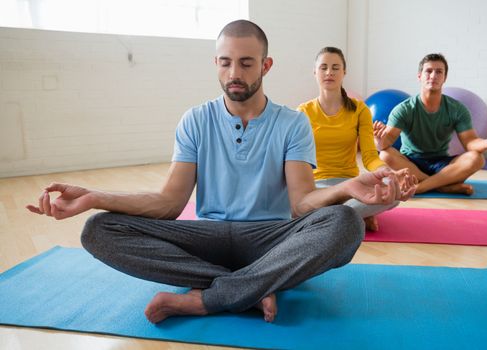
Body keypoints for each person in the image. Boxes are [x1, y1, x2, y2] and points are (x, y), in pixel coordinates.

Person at [26, 20, 416, 324]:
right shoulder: (195, 120)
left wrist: (347, 187)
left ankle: (208, 296)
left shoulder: (292, 124)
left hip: (271, 237)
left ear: (265, 65)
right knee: (99, 229)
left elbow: (301, 204)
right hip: (207, 236)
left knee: (345, 223)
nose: (235, 72)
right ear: (216, 63)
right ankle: (251, 287)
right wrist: (95, 197)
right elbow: (169, 203)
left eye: (246, 63)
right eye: (226, 62)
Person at [298, 47, 412, 231]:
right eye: (323, 67)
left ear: (344, 72)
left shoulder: (360, 110)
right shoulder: (303, 112)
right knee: (297, 204)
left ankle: (336, 216)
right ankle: (355, 215)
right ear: (315, 72)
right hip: (315, 185)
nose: (329, 72)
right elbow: (297, 160)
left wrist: (388, 173)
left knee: (392, 191)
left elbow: (369, 156)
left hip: (350, 184)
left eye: (335, 67)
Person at [373, 53, 487, 194]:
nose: (433, 75)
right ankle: (442, 185)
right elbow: (385, 144)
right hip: (411, 163)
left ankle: (420, 187)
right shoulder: (404, 109)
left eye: (439, 72)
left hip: (442, 164)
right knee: (385, 155)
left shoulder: (457, 109)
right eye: (428, 71)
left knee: (477, 159)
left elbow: (470, 142)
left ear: (444, 78)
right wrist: (378, 140)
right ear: (420, 76)